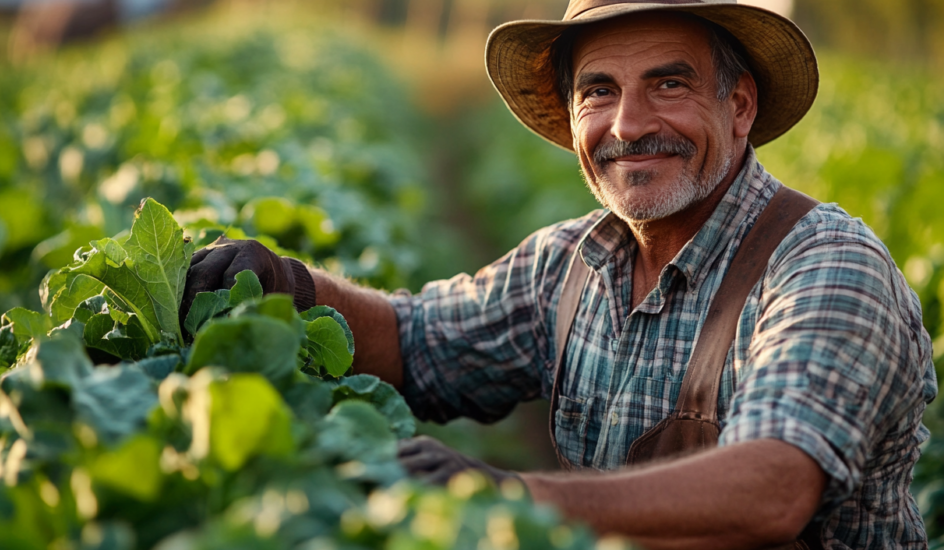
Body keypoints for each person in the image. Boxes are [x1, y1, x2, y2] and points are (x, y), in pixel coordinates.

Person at [182, 1, 938, 547]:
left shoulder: (825, 266)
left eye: (668, 85)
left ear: (739, 105)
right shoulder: (572, 263)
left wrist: (510, 496)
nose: (628, 124)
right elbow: (417, 342)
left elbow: (773, 488)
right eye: (598, 91)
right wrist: (293, 287)